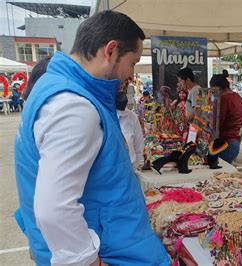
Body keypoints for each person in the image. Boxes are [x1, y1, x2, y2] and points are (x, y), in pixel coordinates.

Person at [14, 11, 169, 265]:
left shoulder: (60, 89)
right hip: (110, 253)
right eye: (132, 62)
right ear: (110, 51)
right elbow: (54, 209)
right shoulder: (74, 107)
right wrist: (89, 261)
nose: (131, 74)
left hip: (111, 240)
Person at [208, 71, 242, 163]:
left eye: (213, 90)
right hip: (234, 143)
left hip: (226, 144)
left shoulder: (224, 99)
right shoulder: (237, 97)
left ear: (218, 88)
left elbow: (217, 124)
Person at [117, 83, 144, 169]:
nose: (122, 92)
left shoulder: (131, 117)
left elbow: (139, 149)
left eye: (124, 88)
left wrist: (131, 170)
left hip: (127, 172)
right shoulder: (98, 115)